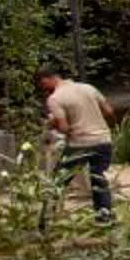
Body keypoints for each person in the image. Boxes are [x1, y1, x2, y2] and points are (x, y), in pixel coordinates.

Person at [37, 69, 117, 223]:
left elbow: (65, 128)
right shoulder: (88, 88)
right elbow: (108, 110)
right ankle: (104, 217)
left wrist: (52, 123)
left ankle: (45, 220)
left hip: (79, 143)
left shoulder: (55, 98)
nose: (43, 88)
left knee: (59, 180)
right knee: (99, 179)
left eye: (42, 84)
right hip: (103, 139)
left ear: (48, 79)